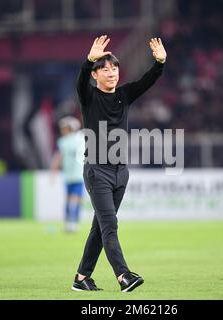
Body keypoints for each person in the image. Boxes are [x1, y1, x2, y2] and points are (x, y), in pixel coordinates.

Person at [72, 35, 166, 292]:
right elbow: (79, 82)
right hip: (97, 171)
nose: (111, 72)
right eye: (104, 69)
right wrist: (88, 60)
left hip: (120, 173)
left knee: (99, 228)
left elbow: (147, 81)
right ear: (95, 75)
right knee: (110, 225)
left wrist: (159, 63)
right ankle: (123, 276)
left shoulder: (124, 95)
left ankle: (81, 278)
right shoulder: (88, 97)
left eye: (114, 68)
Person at [51, 116, 85, 233]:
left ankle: (68, 223)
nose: (62, 130)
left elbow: (58, 158)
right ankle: (73, 223)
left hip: (69, 175)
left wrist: (53, 172)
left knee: (69, 200)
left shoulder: (63, 142)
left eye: (64, 128)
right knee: (76, 200)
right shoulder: (82, 138)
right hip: (80, 175)